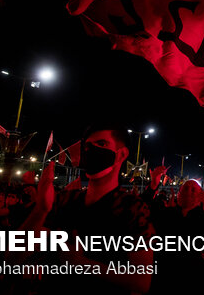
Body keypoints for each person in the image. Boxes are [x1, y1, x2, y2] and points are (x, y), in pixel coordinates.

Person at [13, 122, 154, 295]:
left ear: (121, 154)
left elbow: (141, 281)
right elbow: (14, 259)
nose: (91, 150)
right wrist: (41, 210)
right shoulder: (65, 200)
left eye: (101, 144)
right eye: (87, 146)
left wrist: (83, 264)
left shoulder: (132, 208)